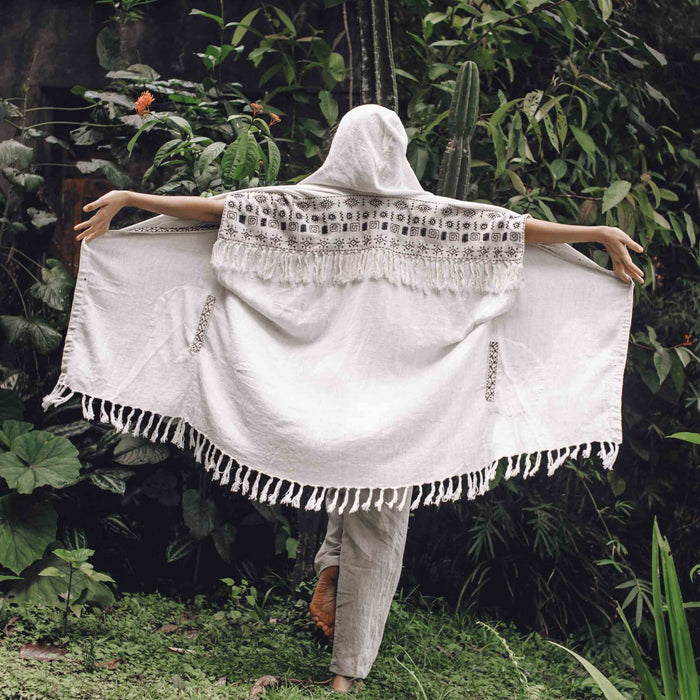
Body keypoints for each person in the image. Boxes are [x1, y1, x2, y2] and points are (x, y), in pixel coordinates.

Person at [72, 105, 644, 694]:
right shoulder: (434, 219)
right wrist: (594, 232)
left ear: (339, 147)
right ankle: (348, 669)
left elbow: (215, 212)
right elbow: (516, 230)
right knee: (380, 526)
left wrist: (133, 197)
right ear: (398, 153)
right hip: (405, 408)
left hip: (318, 399)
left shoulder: (298, 208)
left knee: (341, 487)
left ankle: (330, 568)